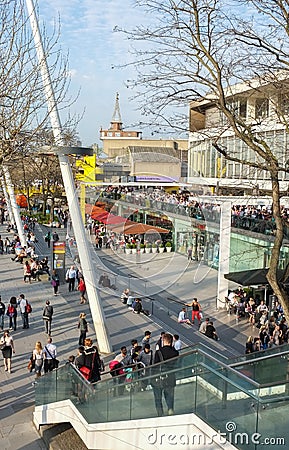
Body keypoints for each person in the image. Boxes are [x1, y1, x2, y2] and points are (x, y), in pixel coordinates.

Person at [152, 333, 179, 416]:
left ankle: (160, 413)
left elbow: (155, 366)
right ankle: (170, 409)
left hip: (158, 378)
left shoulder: (158, 352)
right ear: (171, 342)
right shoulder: (175, 353)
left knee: (158, 398)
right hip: (170, 377)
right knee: (170, 396)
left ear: (164, 341)